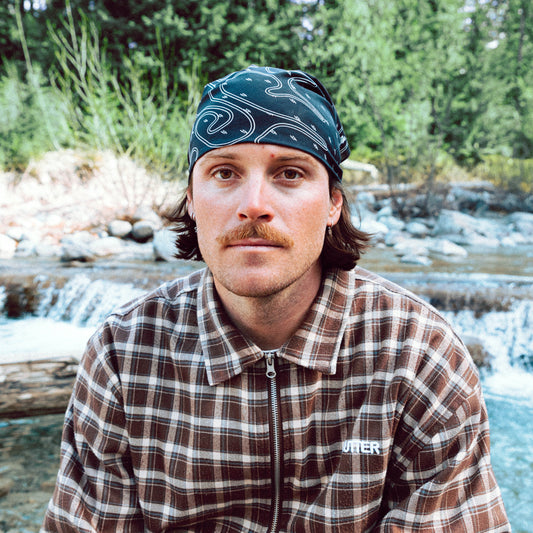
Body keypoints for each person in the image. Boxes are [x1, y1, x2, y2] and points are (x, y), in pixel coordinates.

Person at [42, 65, 510, 532]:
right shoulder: (124, 352)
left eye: (289, 173)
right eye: (225, 172)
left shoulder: (416, 351)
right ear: (191, 199)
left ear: (333, 204)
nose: (254, 204)